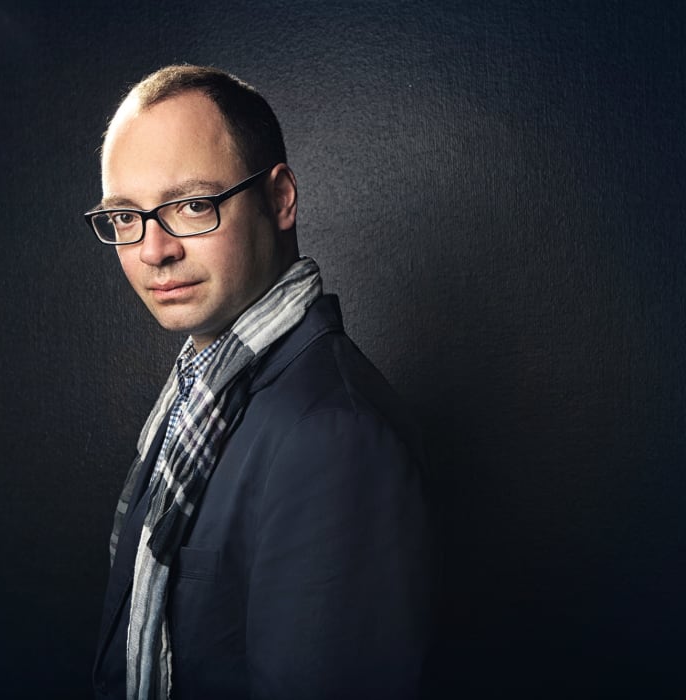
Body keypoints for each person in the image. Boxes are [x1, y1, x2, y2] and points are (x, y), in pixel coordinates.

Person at [86, 65, 431, 700]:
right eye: (126, 216)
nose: (153, 249)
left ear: (279, 200)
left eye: (192, 205)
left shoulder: (333, 439)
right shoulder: (197, 398)